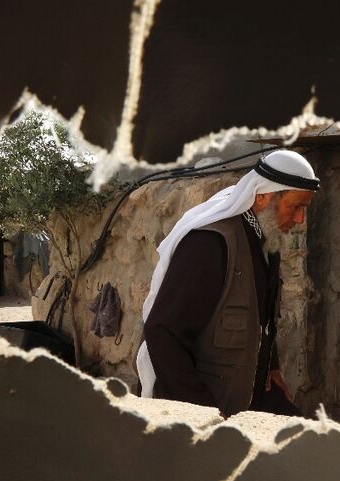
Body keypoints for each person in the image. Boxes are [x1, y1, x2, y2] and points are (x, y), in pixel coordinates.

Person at [135, 150, 319, 417]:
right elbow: (163, 332)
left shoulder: (267, 242)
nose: (300, 219)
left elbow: (262, 318)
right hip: (205, 402)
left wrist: (270, 365)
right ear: (264, 196)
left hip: (249, 394)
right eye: (296, 206)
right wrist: (203, 414)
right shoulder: (210, 245)